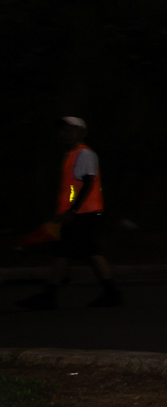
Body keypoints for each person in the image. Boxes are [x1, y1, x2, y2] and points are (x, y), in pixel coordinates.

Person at [17, 117, 121, 309]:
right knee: (65, 252)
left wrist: (72, 211)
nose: (65, 133)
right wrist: (65, 211)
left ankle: (111, 293)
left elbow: (88, 184)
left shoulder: (84, 154)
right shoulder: (72, 155)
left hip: (84, 214)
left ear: (82, 133)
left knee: (89, 252)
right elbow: (73, 188)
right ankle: (51, 295)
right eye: (63, 130)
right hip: (78, 213)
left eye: (71, 130)